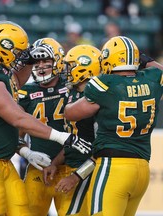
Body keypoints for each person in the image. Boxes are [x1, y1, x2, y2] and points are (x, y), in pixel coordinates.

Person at [0, 20, 92, 216]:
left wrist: (27, 61)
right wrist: (62, 137)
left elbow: (15, 83)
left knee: (21, 209)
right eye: (18, 52)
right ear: (3, 48)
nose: (20, 57)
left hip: (2, 160)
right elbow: (18, 118)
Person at [64, 36, 163, 216]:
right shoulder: (152, 79)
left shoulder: (105, 84)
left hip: (114, 166)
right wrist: (147, 61)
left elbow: (71, 114)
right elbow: (157, 71)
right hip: (142, 170)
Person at [43, 44, 101, 215]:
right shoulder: (74, 94)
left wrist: (77, 176)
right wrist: (55, 163)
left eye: (71, 66)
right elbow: (74, 138)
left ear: (85, 68)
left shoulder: (97, 99)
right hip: (75, 167)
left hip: (90, 172)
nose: (66, 70)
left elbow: (103, 149)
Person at [17, 37, 70, 215]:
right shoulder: (25, 92)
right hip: (38, 168)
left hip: (69, 167)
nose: (40, 66)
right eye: (37, 61)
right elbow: (15, 135)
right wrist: (27, 153)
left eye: (46, 60)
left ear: (58, 61)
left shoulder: (71, 87)